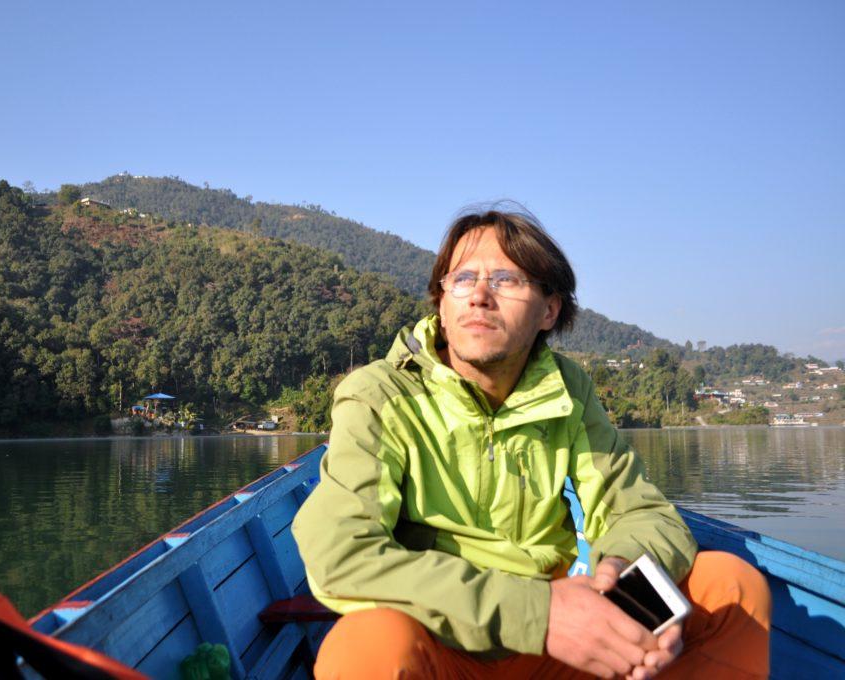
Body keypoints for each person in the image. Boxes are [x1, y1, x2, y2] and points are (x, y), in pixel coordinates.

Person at [291, 209, 771, 679]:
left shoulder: (568, 391)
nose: (479, 295)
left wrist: (621, 583)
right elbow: (341, 553)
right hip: (445, 641)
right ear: (441, 302)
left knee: (730, 587)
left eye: (506, 279)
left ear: (549, 310)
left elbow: (641, 513)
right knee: (367, 646)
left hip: (564, 642)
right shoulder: (382, 394)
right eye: (461, 279)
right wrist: (538, 616)